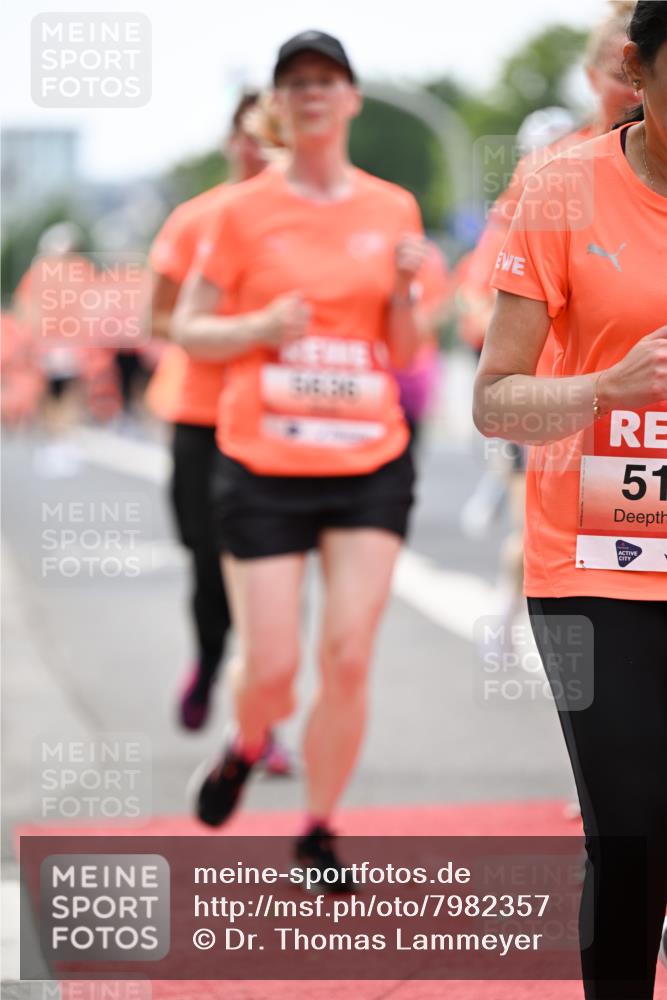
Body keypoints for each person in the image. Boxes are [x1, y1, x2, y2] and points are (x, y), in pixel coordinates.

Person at [173, 30, 429, 881]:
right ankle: (249, 742)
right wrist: (256, 327)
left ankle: (319, 826)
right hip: (264, 465)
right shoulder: (239, 211)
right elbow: (186, 328)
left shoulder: (392, 207)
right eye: (295, 83)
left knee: (349, 653)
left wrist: (401, 290)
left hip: (367, 462)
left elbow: (404, 349)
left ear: (352, 99)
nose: (312, 94)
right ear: (278, 107)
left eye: (327, 80)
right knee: (274, 668)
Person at [473, 3, 666, 996]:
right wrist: (603, 390)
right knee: (632, 834)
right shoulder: (559, 190)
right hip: (599, 560)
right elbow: (494, 402)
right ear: (637, 69)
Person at [145, 93, 284, 764]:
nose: (259, 148)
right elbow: (159, 319)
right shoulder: (194, 218)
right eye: (249, 135)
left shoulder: (309, 223)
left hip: (280, 420)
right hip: (202, 415)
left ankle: (263, 722)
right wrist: (233, 335)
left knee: (275, 573)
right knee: (209, 565)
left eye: (272, 135)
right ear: (233, 142)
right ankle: (207, 660)